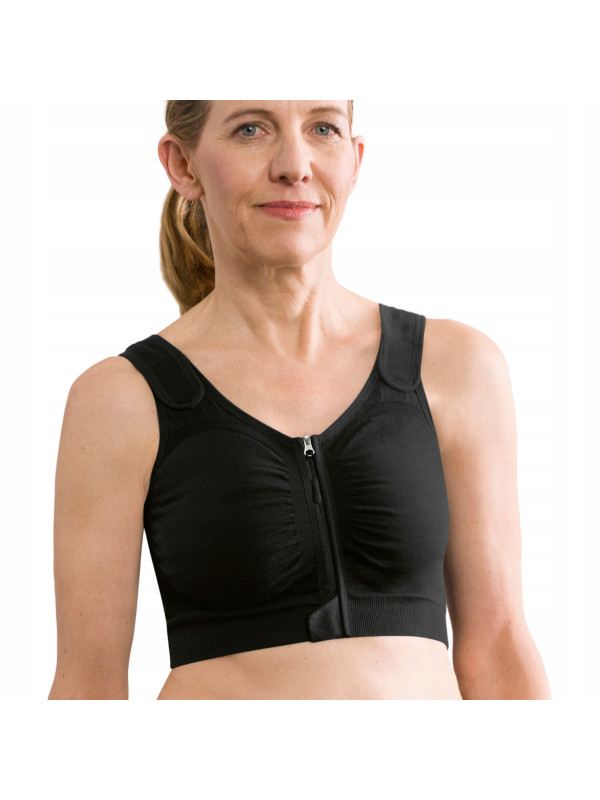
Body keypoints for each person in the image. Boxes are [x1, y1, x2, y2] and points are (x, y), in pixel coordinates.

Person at [48, 100, 551, 700]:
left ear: (355, 159)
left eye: (323, 128)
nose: (294, 164)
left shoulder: (456, 367)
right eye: (250, 129)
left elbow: (498, 644)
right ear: (183, 164)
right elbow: (88, 685)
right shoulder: (120, 398)